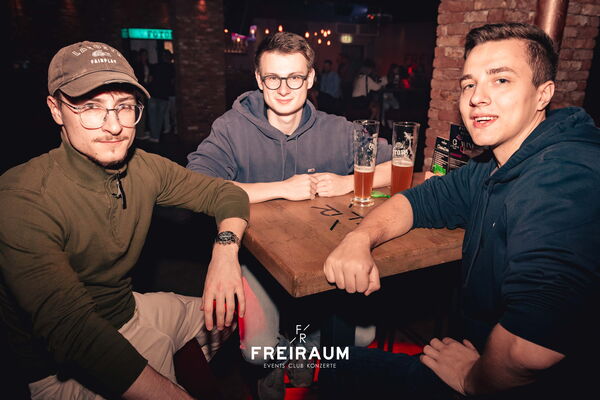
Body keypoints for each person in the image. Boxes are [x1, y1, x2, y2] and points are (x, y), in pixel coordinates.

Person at [321, 23, 600, 399]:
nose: (477, 98)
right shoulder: (496, 164)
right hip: (480, 355)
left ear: (542, 94)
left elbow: (532, 348)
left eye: (501, 80)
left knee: (339, 368)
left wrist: (473, 379)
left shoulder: (564, 175)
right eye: (469, 84)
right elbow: (417, 201)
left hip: (516, 382)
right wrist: (359, 238)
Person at [0, 41, 250, 400]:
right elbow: (75, 334)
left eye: (124, 106)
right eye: (91, 107)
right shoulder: (21, 197)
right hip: (62, 370)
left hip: (127, 310)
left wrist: (224, 254)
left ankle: (179, 366)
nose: (114, 126)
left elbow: (226, 194)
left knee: (236, 311)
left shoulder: (143, 166)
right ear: (56, 110)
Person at [187, 32, 392, 399]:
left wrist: (347, 181)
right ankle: (281, 359)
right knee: (258, 351)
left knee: (360, 337)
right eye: (273, 78)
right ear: (258, 79)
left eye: (295, 77)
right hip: (258, 262)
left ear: (310, 78)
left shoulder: (336, 129)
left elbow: (399, 162)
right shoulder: (232, 128)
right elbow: (196, 187)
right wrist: (281, 188)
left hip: (322, 258)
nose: (284, 89)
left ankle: (304, 349)